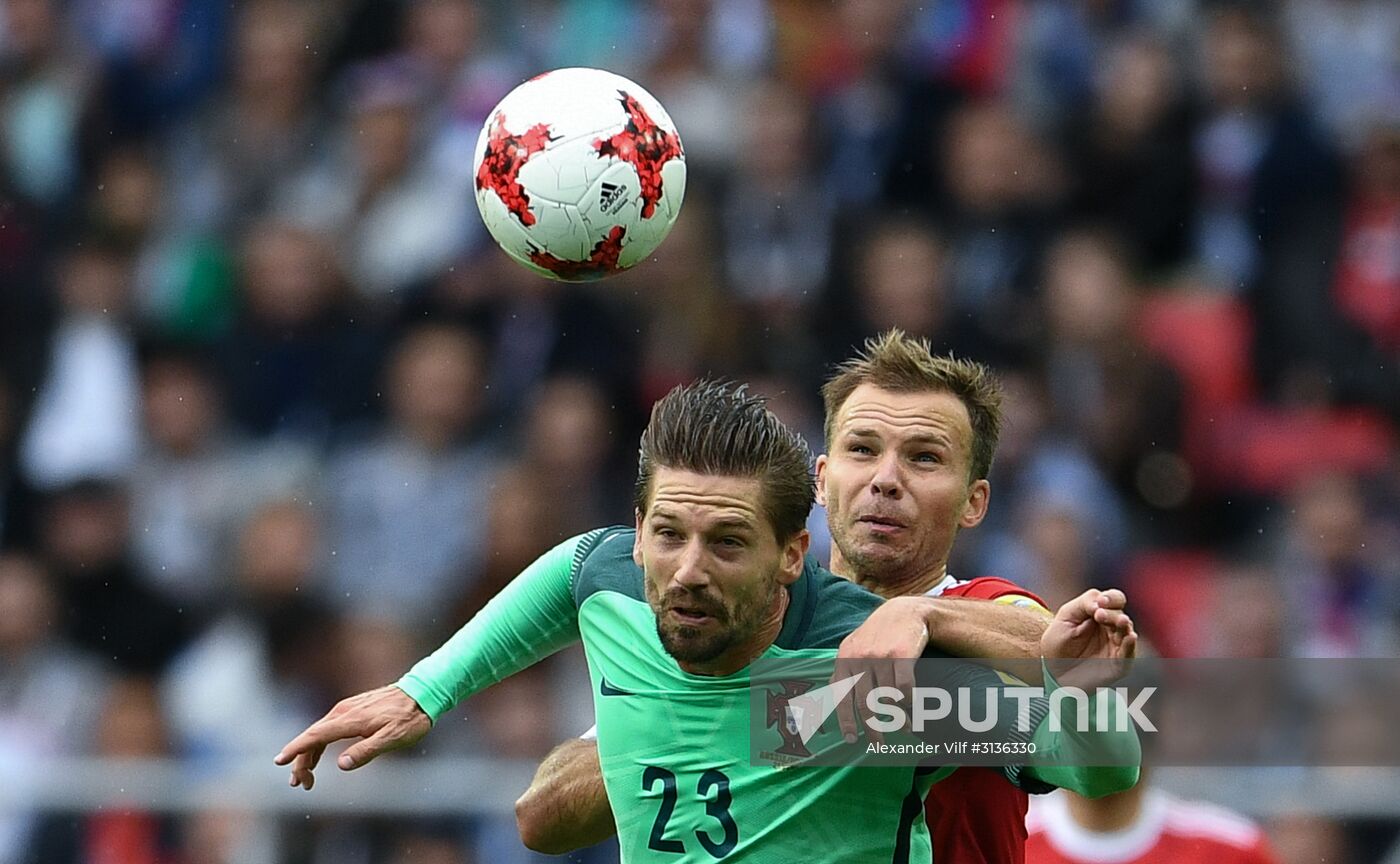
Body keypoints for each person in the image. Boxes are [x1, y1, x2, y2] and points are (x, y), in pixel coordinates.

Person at [277, 380, 1139, 861]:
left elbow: (1099, 761)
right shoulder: (621, 578)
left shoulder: (881, 678)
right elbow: (573, 569)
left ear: (790, 553)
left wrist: (1086, 682)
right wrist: (424, 689)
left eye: (727, 543)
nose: (687, 569)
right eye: (667, 534)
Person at [516, 330, 1073, 861]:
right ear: (820, 481)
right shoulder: (730, 618)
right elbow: (540, 819)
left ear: (974, 502)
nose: (885, 479)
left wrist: (919, 611)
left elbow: (1100, 700)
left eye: (924, 457)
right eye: (861, 449)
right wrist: (689, 730)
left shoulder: (992, 610)